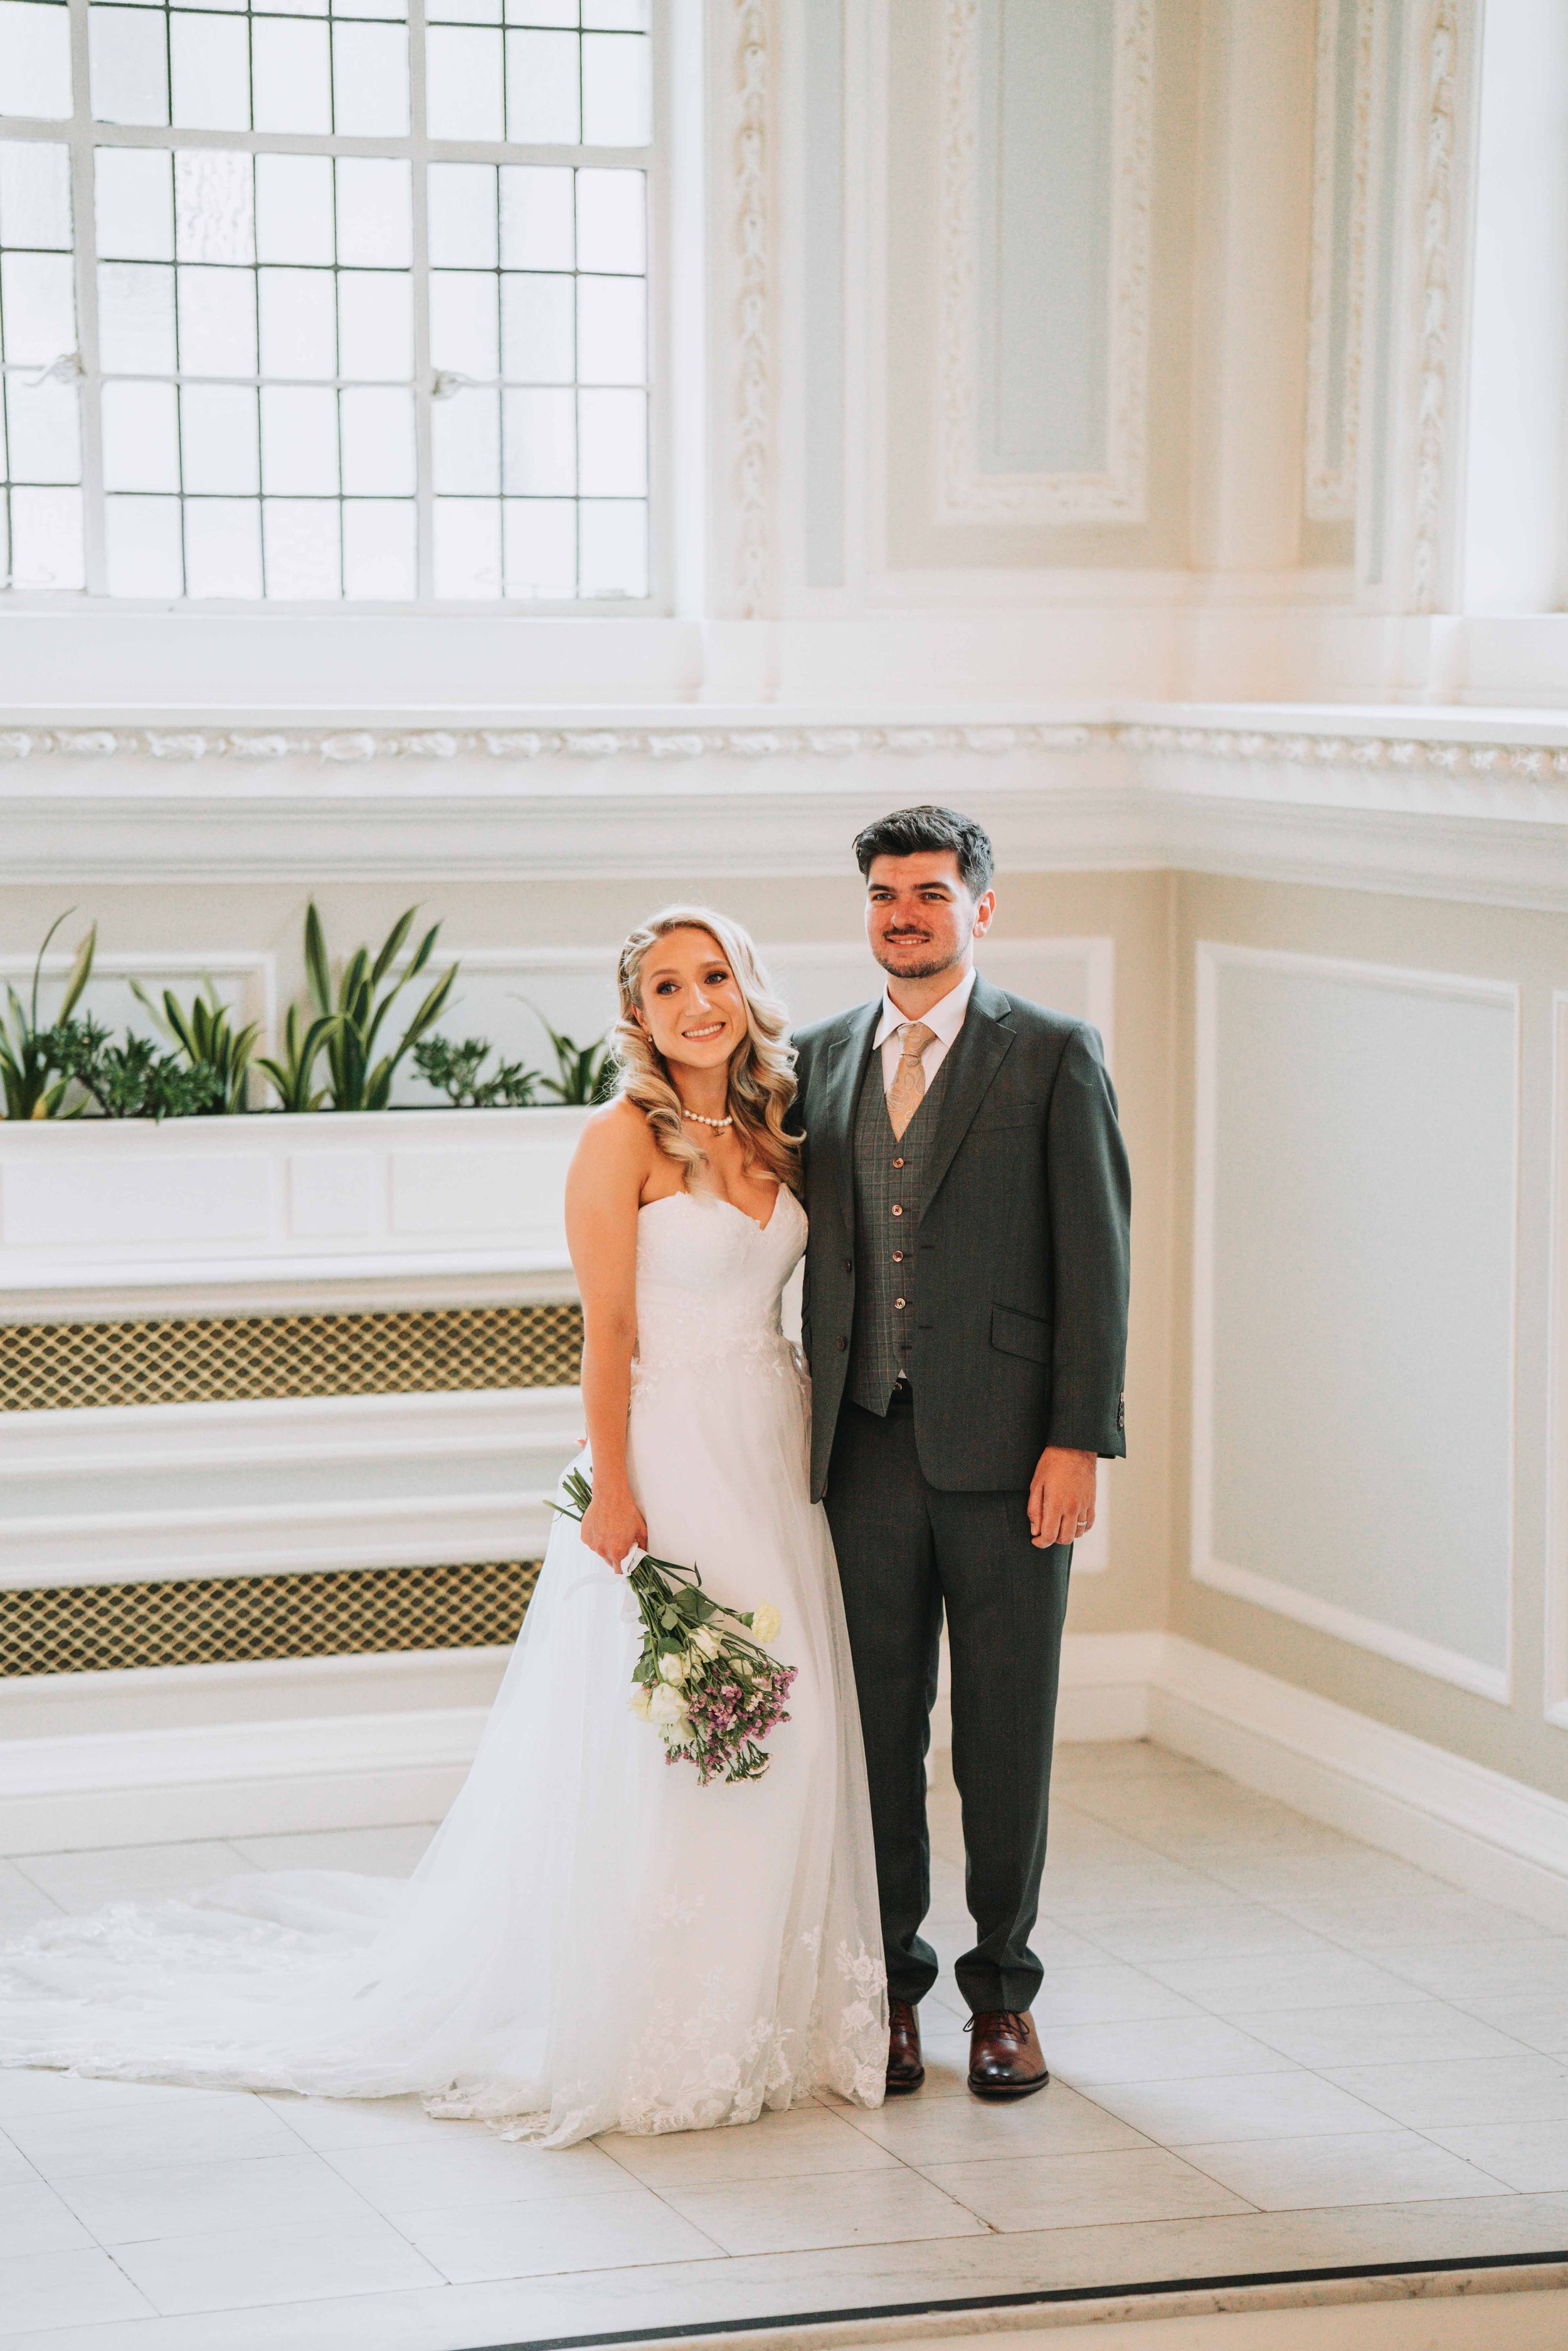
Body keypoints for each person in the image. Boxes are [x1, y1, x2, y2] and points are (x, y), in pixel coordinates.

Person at [0, 909, 886, 2146]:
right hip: (671, 1457)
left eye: (715, 975)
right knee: (671, 1733)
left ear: (746, 987)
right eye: (668, 985)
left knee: (775, 1717)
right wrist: (617, 1495)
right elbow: (608, 1338)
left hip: (772, 1447)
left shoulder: (781, 1131)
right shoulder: (616, 1139)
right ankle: (655, 2013)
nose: (698, 1001)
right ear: (637, 1013)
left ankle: (770, 2005)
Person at [793, 805, 1130, 2101]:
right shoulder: (816, 1056)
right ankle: (887, 1989)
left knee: (1002, 1734)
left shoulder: (1048, 1053)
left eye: (928, 892)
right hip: (861, 1449)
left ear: (979, 907)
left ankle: (1003, 1994)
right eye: (883, 894)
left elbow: (1094, 1259)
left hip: (1008, 1458)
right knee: (873, 1733)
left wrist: (1075, 1439)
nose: (902, 914)